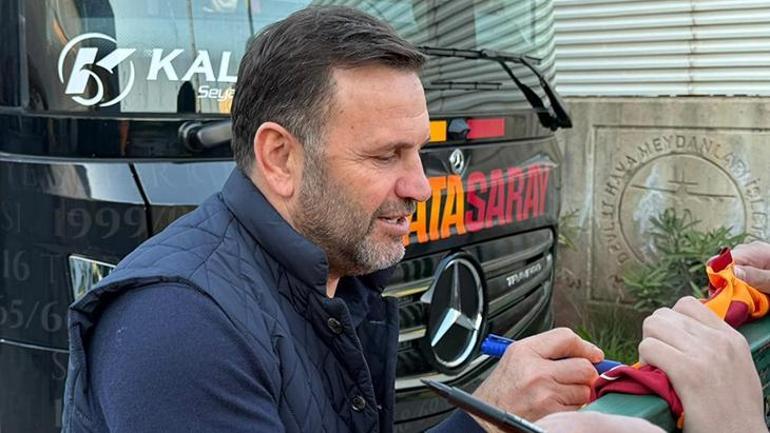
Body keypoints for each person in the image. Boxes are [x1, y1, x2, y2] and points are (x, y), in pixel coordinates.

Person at [59, 6, 766, 433]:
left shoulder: (338, 274)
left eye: (419, 150)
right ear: (280, 157)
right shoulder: (177, 328)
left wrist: (485, 413)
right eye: (385, 155)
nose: (422, 186)